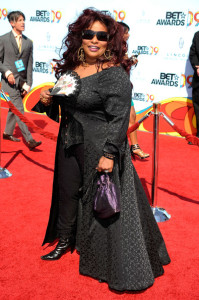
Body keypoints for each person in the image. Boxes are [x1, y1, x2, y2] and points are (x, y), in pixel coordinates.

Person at [38, 9, 170, 292]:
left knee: (101, 202)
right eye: (89, 34)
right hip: (70, 140)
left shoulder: (114, 75)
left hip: (100, 145)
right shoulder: (72, 69)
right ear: (80, 37)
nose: (94, 40)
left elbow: (120, 118)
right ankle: (64, 240)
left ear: (111, 41)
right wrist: (47, 99)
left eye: (102, 35)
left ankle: (98, 254)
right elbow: (59, 108)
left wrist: (109, 155)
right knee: (67, 191)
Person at [0, 11, 42, 149]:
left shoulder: (28, 42)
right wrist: (7, 72)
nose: (23, 22)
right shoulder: (3, 39)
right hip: (8, 82)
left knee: (14, 108)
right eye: (19, 20)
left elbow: (30, 64)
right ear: (12, 23)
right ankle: (29, 140)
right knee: (19, 109)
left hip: (22, 83)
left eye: (23, 20)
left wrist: (28, 84)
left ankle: (7, 132)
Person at [118, 21, 149, 159]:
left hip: (125, 86)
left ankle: (135, 147)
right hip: (115, 89)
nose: (129, 35)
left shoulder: (123, 47)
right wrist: (129, 62)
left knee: (132, 116)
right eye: (126, 32)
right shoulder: (110, 48)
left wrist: (129, 61)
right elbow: (114, 66)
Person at [189, 31, 199, 141]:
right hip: (198, 79)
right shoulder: (197, 35)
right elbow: (193, 53)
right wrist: (197, 67)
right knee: (198, 107)